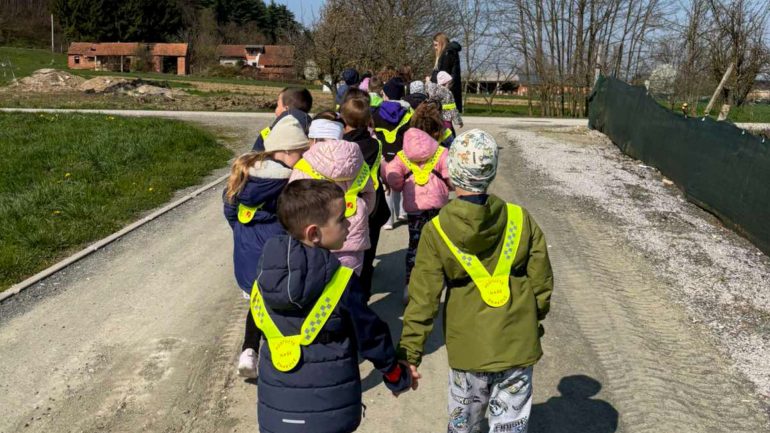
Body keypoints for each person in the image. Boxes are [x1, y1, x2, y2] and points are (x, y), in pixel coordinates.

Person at [398, 129, 554, 433]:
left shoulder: (436, 231)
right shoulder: (520, 219)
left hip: (467, 352)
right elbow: (541, 281)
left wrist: (409, 353)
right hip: (518, 347)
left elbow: (423, 300)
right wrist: (533, 321)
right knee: (510, 426)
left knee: (463, 425)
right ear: (492, 172)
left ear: (452, 173)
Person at [253, 179, 414, 433]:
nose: (349, 223)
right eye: (341, 219)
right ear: (314, 234)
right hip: (330, 415)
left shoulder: (263, 280)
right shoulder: (341, 282)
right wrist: (395, 375)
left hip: (276, 413)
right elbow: (371, 336)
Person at [223, 114, 311, 378]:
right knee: (277, 308)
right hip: (276, 255)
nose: (302, 157)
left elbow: (230, 210)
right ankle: (278, 357)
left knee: (256, 303)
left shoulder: (245, 173)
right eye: (300, 152)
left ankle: (249, 351)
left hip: (245, 254)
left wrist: (242, 234)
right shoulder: (288, 182)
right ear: (286, 151)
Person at [289, 131, 375, 275]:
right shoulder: (358, 162)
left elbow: (293, 203)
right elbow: (370, 193)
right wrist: (361, 212)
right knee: (349, 280)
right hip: (354, 236)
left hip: (317, 236)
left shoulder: (305, 164)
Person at [382, 126, 452, 304]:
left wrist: (399, 185)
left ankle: (410, 286)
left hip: (415, 208)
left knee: (415, 245)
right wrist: (449, 186)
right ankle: (438, 280)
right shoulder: (440, 152)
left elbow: (393, 177)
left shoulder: (402, 157)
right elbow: (451, 175)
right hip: (438, 206)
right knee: (439, 243)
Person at [339, 89, 390, 300]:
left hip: (345, 206)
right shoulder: (375, 144)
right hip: (373, 205)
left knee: (344, 251)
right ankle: (364, 293)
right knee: (368, 251)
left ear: (343, 118)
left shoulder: (340, 146)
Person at [372, 77, 411, 229]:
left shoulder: (376, 113)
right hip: (402, 154)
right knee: (401, 182)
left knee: (386, 186)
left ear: (386, 94)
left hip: (382, 154)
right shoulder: (407, 114)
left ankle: (388, 221)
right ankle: (402, 211)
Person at [253, 87, 313, 151]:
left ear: (286, 109)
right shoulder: (313, 133)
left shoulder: (267, 133)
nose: (275, 110)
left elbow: (254, 156)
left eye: (277, 105)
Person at [430, 32, 463, 113]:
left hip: (445, 93)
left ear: (441, 43)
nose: (435, 48)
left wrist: (430, 81)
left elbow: (443, 76)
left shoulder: (447, 54)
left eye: (436, 45)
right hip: (447, 92)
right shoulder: (448, 53)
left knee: (444, 117)